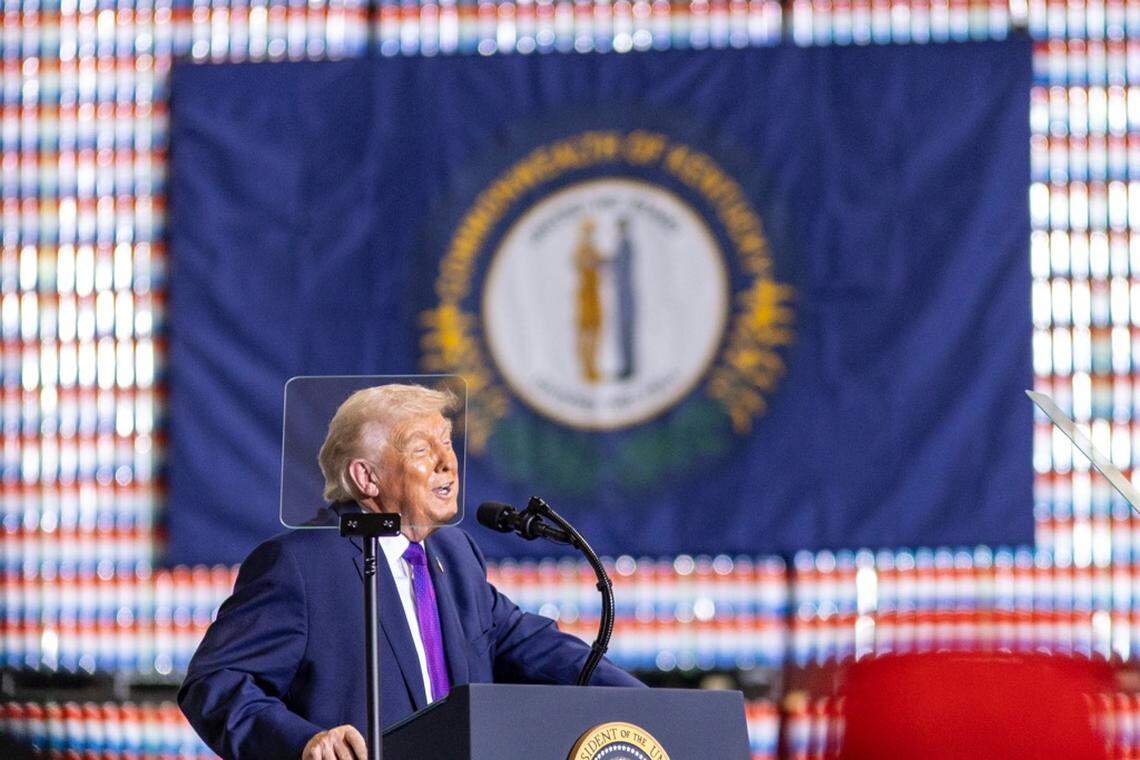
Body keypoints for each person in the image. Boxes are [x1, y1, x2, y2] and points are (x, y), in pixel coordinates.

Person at [178, 383, 643, 760]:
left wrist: (647, 705)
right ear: (366, 478)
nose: (449, 462)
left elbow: (536, 647)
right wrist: (303, 742)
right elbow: (215, 684)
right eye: (423, 449)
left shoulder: (456, 554)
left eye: (447, 443)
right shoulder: (300, 565)